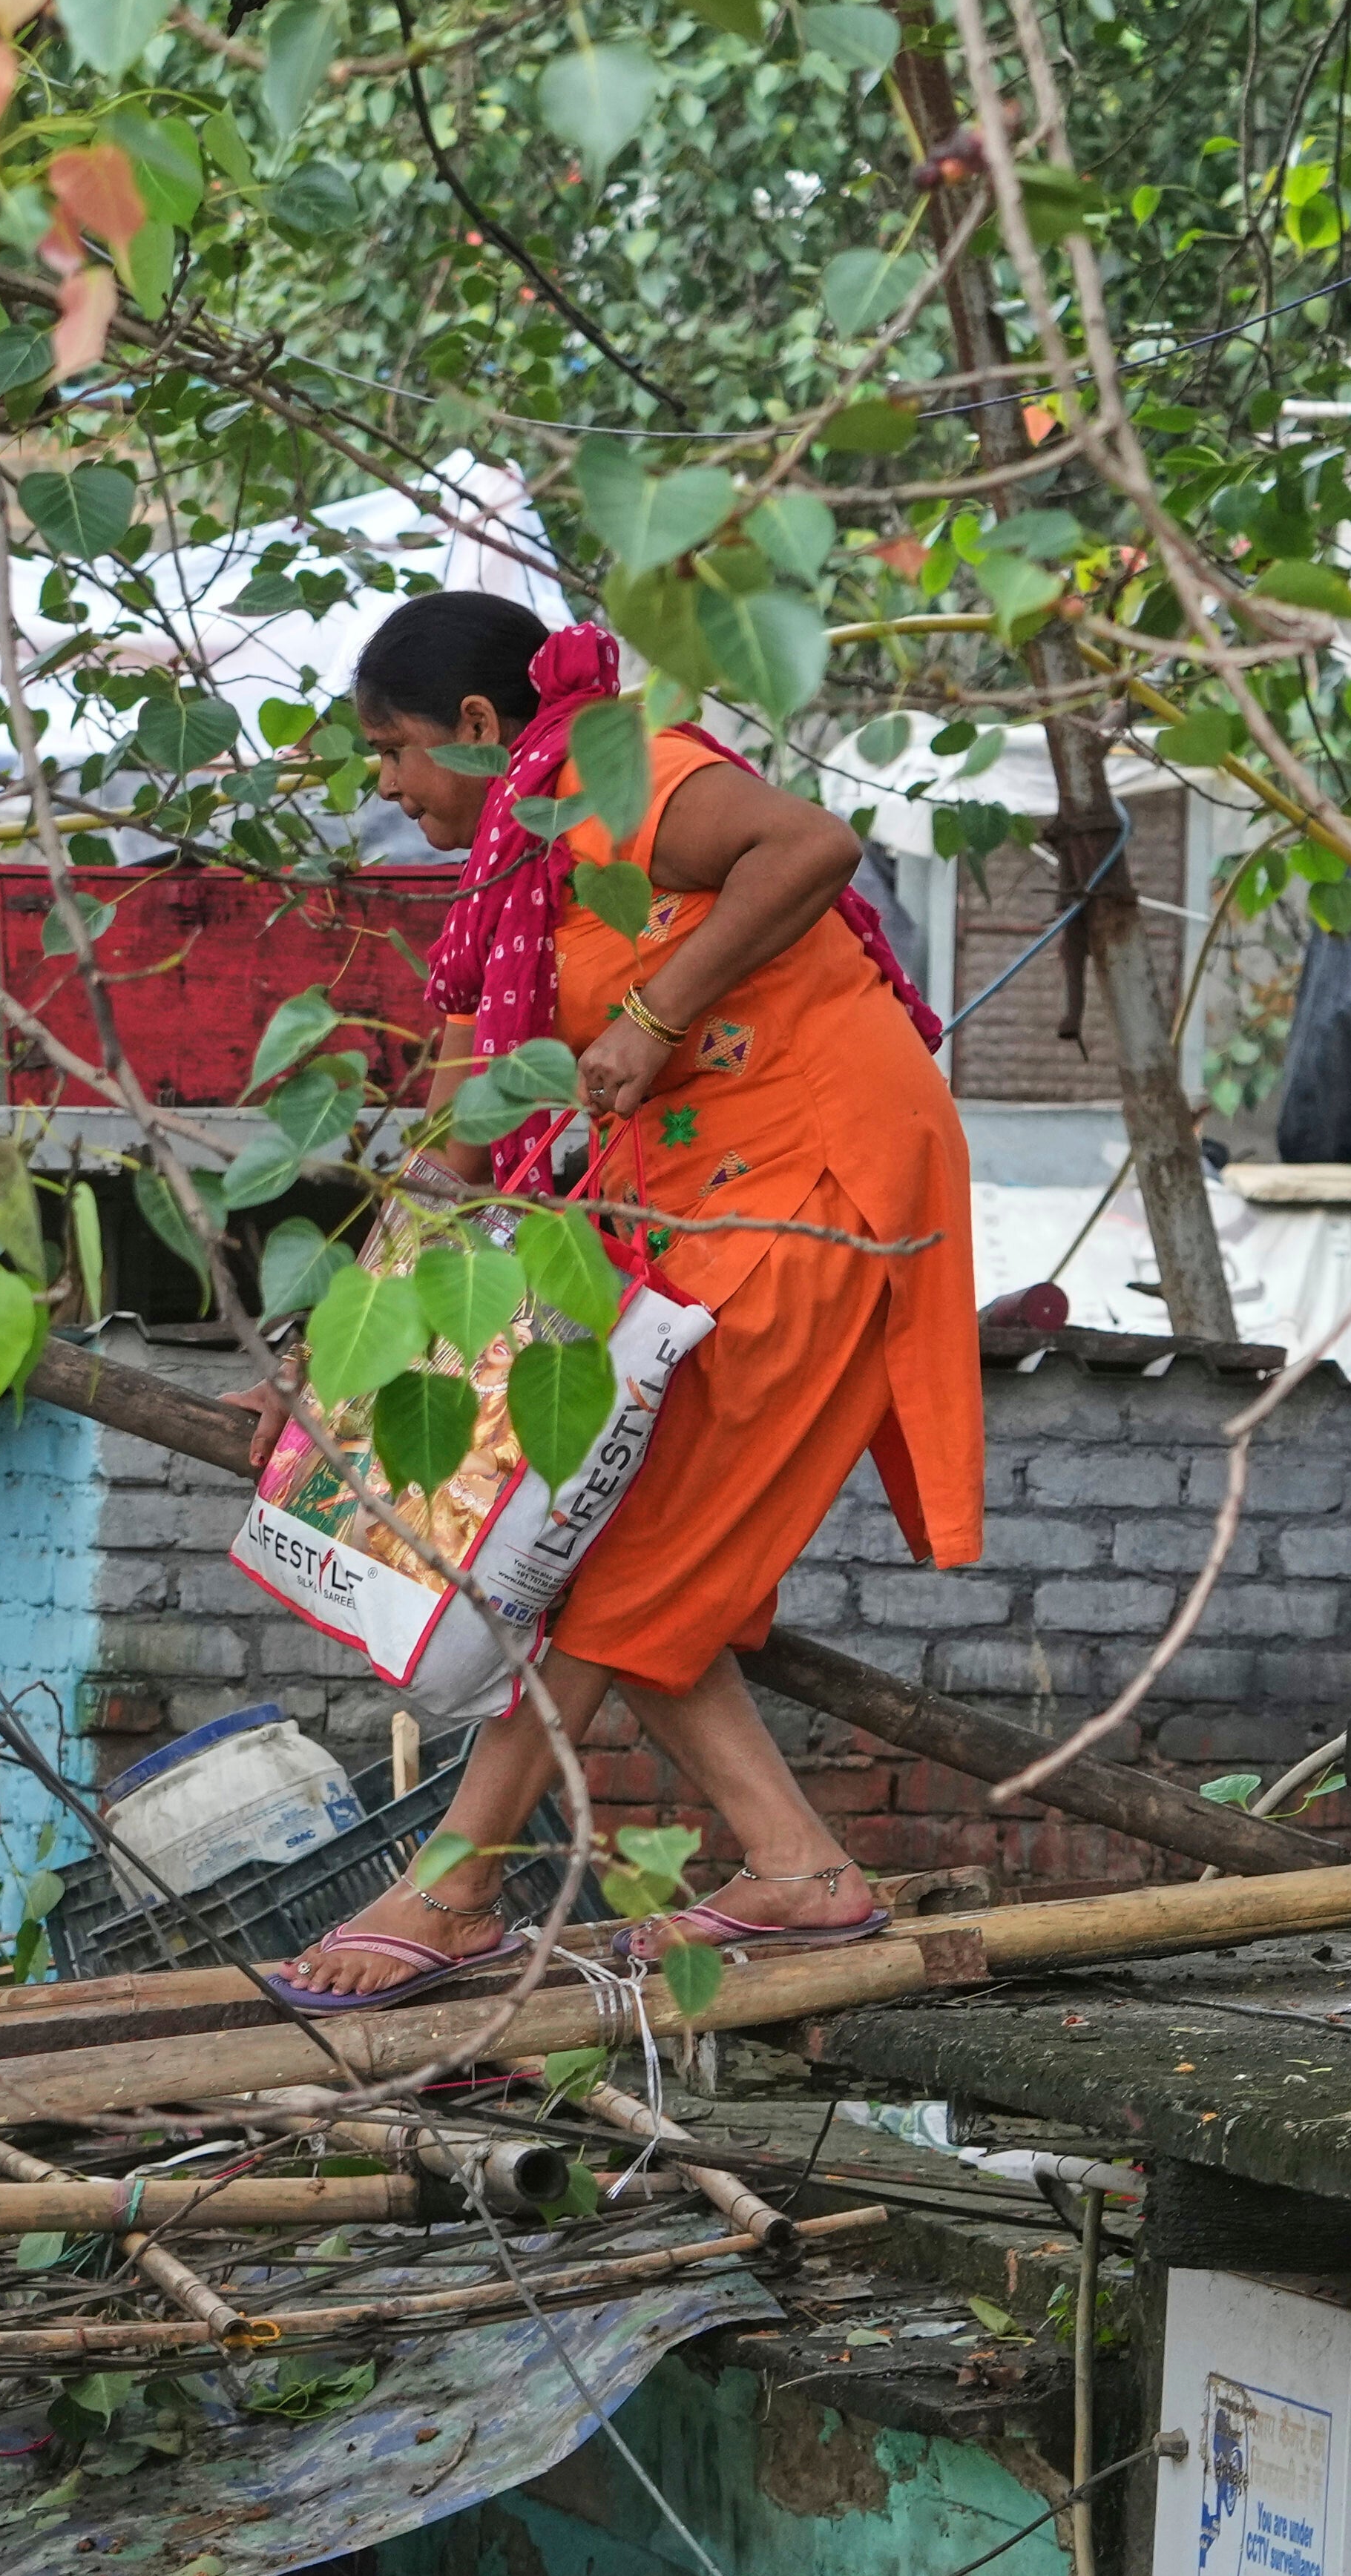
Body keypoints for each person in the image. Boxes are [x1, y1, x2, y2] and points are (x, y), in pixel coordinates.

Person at [263, 591, 983, 2003]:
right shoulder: (506, 885)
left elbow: (811, 845)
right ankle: (794, 1869)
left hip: (821, 1179)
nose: (387, 788)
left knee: (601, 1537)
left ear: (480, 728)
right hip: (697, 1196)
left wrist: (655, 1018)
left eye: (393, 750)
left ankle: (458, 1884)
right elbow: (464, 1127)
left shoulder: (614, 777)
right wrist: (333, 1345)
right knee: (605, 1535)